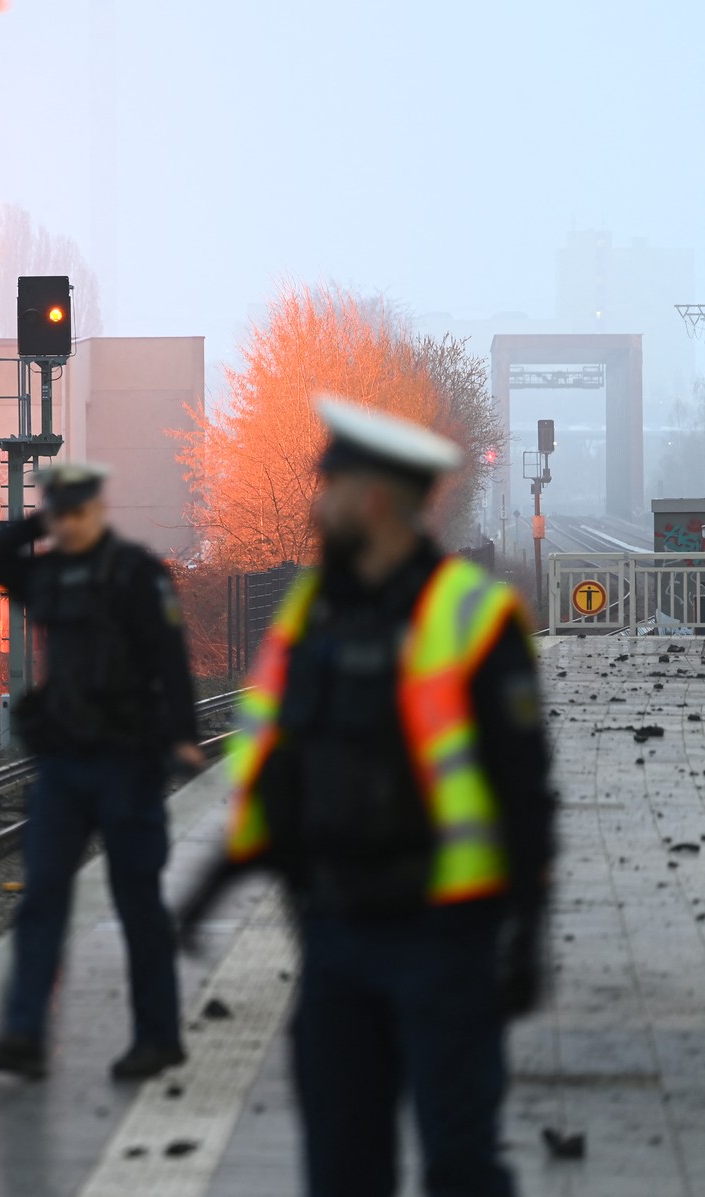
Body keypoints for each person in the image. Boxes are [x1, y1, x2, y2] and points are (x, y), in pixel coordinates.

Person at [178, 396, 555, 1196]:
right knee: (342, 1169)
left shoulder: (477, 618)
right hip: (336, 933)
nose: (317, 505)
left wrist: (525, 927)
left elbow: (523, 792)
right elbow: (276, 763)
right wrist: (219, 876)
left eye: (331, 487)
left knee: (459, 1165)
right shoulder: (311, 615)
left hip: (445, 935)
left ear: (375, 500)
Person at [0, 461, 204, 1082]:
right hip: (64, 767)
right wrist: (36, 523)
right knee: (42, 895)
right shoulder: (46, 575)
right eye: (60, 514)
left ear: (98, 510)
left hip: (128, 763)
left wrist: (184, 737)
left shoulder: (137, 575)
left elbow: (171, 662)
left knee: (137, 903)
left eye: (77, 512)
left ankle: (158, 1036)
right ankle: (23, 1034)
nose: (69, 525)